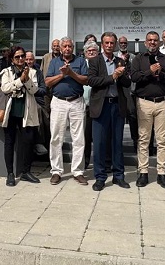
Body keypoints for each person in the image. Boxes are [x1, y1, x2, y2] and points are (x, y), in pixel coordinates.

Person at [130, 31, 165, 189]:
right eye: (149, 40)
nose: (152, 43)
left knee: (162, 140)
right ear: (145, 42)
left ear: (159, 42)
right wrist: (149, 72)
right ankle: (143, 172)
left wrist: (160, 73)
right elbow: (134, 77)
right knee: (143, 139)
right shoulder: (138, 59)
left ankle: (161, 174)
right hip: (144, 103)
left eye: (155, 40)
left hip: (163, 103)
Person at [87, 32, 131, 191]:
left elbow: (127, 83)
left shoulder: (120, 61)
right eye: (106, 43)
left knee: (117, 142)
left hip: (117, 106)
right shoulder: (95, 61)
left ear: (116, 45)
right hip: (101, 106)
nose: (109, 45)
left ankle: (119, 176)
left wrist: (121, 74)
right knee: (99, 143)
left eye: (112, 43)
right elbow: (91, 81)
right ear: (102, 44)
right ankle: (100, 177)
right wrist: (112, 76)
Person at [45, 37, 89, 186]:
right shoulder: (54, 62)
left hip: (76, 101)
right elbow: (47, 82)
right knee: (56, 138)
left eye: (70, 46)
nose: (67, 48)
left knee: (79, 139)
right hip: (58, 102)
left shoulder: (80, 61)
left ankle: (77, 171)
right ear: (61, 48)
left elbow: (85, 80)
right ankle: (56, 171)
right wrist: (62, 75)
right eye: (65, 46)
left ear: (73, 48)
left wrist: (71, 73)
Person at [0, 46, 41, 186]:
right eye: (17, 57)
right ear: (12, 59)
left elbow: (35, 90)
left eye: (22, 56)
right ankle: (10, 173)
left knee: (28, 142)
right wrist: (19, 81)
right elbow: (5, 88)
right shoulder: (6, 72)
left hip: (26, 111)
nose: (21, 59)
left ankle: (26, 172)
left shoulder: (33, 72)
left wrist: (26, 78)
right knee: (9, 142)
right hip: (11, 111)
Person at [25, 51, 50, 156]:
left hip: (37, 99)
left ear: (34, 60)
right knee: (37, 111)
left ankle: (43, 145)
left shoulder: (38, 72)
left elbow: (43, 90)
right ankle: (38, 142)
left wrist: (34, 90)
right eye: (26, 59)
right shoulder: (18, 71)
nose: (28, 61)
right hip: (24, 100)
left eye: (31, 59)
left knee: (46, 117)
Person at [82, 41, 100, 169]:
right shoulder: (81, 64)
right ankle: (86, 161)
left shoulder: (101, 64)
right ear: (85, 53)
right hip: (84, 104)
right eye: (89, 51)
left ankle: (103, 162)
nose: (91, 52)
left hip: (99, 104)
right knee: (85, 136)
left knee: (100, 135)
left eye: (94, 50)